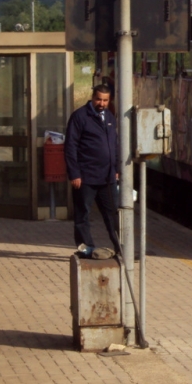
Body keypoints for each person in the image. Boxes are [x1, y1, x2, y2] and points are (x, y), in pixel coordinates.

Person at [65, 84, 121, 260]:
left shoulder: (109, 117)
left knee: (113, 215)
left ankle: (121, 248)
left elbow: (115, 144)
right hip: (86, 177)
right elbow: (70, 147)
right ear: (92, 97)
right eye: (98, 99)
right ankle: (85, 249)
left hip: (107, 177)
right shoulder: (80, 117)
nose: (102, 103)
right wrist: (74, 173)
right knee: (83, 214)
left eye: (105, 100)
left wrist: (116, 169)